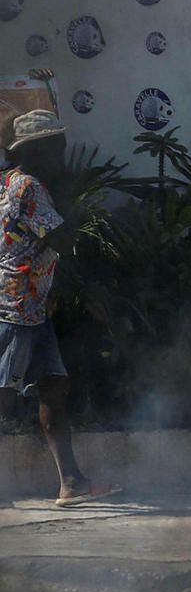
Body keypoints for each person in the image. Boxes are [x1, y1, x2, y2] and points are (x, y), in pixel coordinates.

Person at [0, 104, 121, 507]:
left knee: (54, 388)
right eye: (56, 147)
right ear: (34, 151)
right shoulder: (30, 187)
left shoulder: (11, 183)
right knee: (5, 392)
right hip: (15, 308)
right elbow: (63, 238)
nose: (63, 155)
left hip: (29, 306)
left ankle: (72, 482)